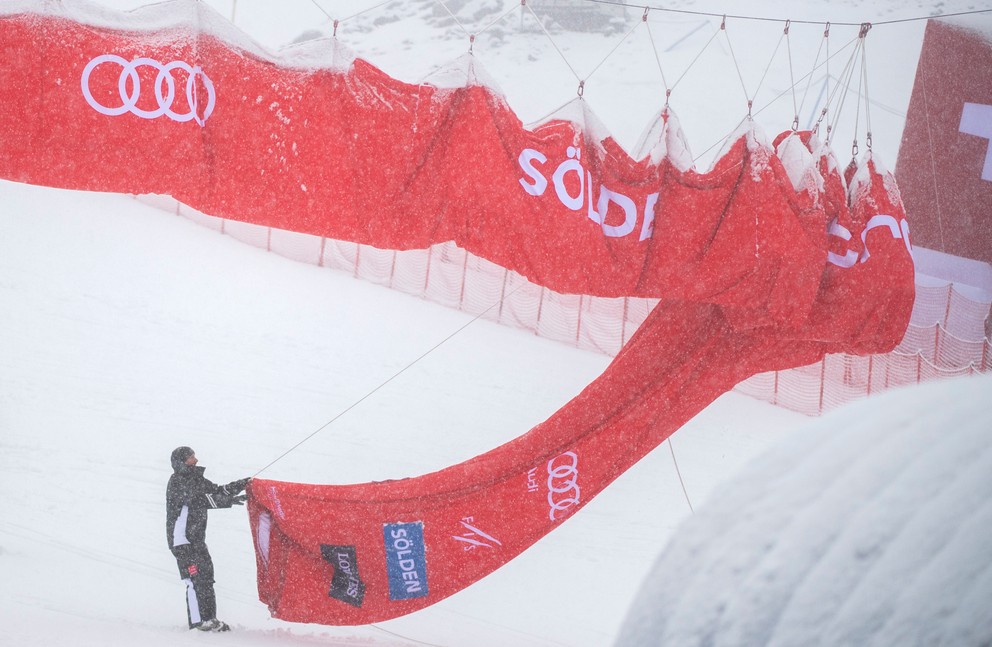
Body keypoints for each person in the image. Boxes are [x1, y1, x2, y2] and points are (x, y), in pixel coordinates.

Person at [166, 446, 250, 632]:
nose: (195, 459)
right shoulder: (177, 481)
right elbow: (196, 500)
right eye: (190, 457)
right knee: (194, 580)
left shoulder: (196, 479)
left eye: (194, 456)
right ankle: (199, 624)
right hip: (183, 541)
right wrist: (226, 502)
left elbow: (218, 491)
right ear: (181, 462)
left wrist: (242, 484)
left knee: (206, 578)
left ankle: (210, 619)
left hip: (196, 539)